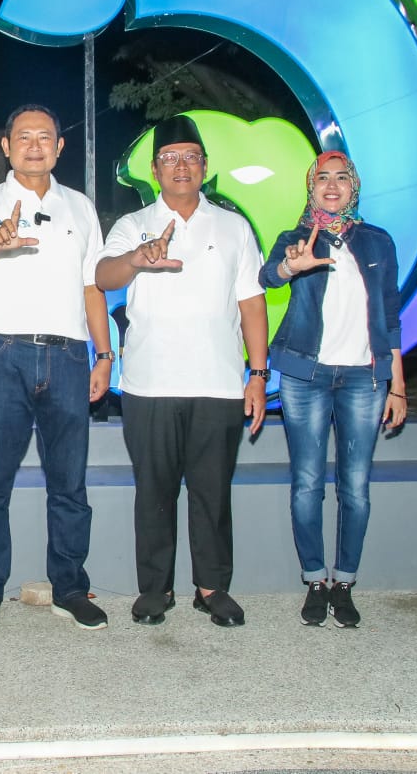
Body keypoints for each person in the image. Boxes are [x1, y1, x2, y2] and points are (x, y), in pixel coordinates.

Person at [95, 114, 268, 628]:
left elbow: (252, 302)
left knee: (213, 493)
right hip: (149, 383)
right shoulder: (133, 224)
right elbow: (103, 276)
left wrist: (257, 373)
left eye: (190, 157)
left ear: (205, 167)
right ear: (154, 169)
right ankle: (156, 589)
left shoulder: (234, 227)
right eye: (170, 159)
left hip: (218, 384)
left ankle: (212, 587)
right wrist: (138, 259)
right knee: (155, 492)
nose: (181, 166)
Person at [0, 104, 114, 631]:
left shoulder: (80, 207)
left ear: (59, 146)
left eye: (44, 136)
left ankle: (71, 586)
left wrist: (103, 353)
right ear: (6, 147)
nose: (34, 145)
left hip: (69, 354)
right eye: (23, 137)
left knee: (69, 483)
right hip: (2, 353)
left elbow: (94, 284)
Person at [259, 150, 407, 628]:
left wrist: (397, 384)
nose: (331, 184)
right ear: (311, 186)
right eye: (322, 177)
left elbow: (390, 316)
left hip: (364, 377)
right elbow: (266, 276)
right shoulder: (295, 238)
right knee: (306, 484)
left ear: (354, 186)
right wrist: (289, 267)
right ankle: (315, 580)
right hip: (306, 374)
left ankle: (344, 582)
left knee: (356, 488)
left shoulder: (378, 242)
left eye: (341, 177)